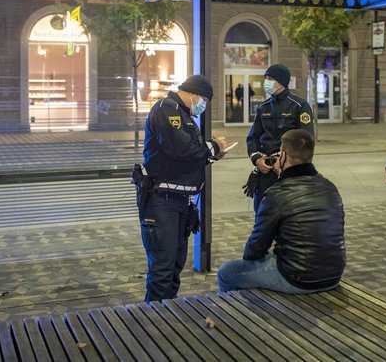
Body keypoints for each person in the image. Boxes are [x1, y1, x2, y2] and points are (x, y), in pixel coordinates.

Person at [136, 74, 231, 302]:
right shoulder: (165, 110)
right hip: (162, 201)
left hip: (179, 201)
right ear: (193, 94)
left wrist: (210, 156)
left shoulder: (184, 113)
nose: (203, 106)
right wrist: (213, 146)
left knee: (176, 264)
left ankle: (169, 313)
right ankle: (154, 320)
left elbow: (186, 157)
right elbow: (183, 150)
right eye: (204, 101)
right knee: (163, 266)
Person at [217, 129, 345, 294]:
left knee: (227, 272)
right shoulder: (330, 187)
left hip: (298, 278)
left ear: (283, 156)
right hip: (333, 275)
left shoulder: (277, 193)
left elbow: (256, 247)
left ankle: (245, 315)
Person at [245, 63, 314, 211]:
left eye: (270, 78)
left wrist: (285, 162)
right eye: (266, 78)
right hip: (265, 171)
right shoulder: (263, 107)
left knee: (287, 217)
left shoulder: (299, 106)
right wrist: (256, 159)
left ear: (281, 81)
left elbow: (306, 142)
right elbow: (252, 138)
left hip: (288, 173)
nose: (266, 82)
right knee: (262, 215)